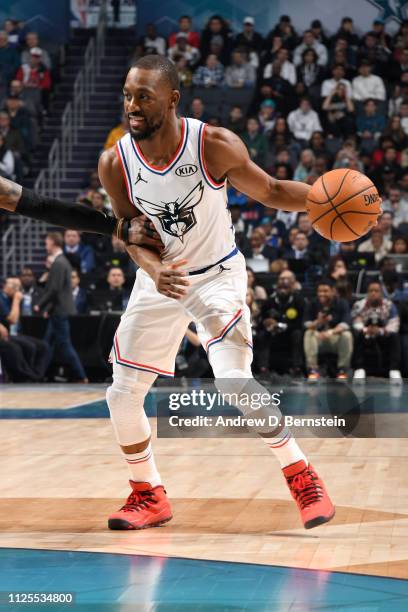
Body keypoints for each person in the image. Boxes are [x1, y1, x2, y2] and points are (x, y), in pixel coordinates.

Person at [0, 54, 334, 531]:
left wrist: (325, 199)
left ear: (173, 99)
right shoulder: (115, 162)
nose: (132, 106)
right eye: (128, 96)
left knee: (234, 382)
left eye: (144, 97)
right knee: (121, 394)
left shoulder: (213, 144)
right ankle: (148, 493)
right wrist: (154, 270)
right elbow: (130, 234)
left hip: (217, 274)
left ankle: (302, 475)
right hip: (160, 279)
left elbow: (274, 190)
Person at [34, 232, 88, 383]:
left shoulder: (59, 262)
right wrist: (48, 309)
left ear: (52, 243)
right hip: (57, 309)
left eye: (47, 243)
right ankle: (38, 374)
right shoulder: (61, 261)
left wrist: (40, 305)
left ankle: (81, 375)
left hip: (60, 310)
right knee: (47, 343)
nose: (46, 246)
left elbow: (54, 289)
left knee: (64, 344)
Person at [256, 270, 305, 375]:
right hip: (273, 334)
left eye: (288, 279)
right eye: (282, 279)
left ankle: (297, 368)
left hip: (290, 332)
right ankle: (263, 368)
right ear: (277, 283)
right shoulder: (269, 301)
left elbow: (300, 323)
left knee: (298, 333)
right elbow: (261, 323)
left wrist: (283, 325)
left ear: (294, 283)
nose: (284, 282)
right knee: (262, 334)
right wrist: (266, 324)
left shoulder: (299, 301)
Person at [303, 279, 353, 380]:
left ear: (333, 291)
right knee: (309, 333)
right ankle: (312, 369)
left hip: (334, 339)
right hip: (318, 339)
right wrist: (318, 322)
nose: (322, 294)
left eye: (325, 291)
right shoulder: (312, 303)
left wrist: (331, 332)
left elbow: (346, 323)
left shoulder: (342, 303)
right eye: (319, 291)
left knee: (347, 335)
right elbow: (306, 324)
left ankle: (342, 369)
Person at [352, 281, 402, 381]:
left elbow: (394, 325)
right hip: (366, 335)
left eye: (376, 291)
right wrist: (366, 330)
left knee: (395, 337)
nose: (373, 293)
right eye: (371, 291)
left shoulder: (389, 305)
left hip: (384, 335)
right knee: (357, 335)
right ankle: (359, 369)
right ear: (367, 292)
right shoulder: (359, 305)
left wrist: (380, 331)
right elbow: (355, 323)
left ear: (381, 293)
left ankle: (394, 370)